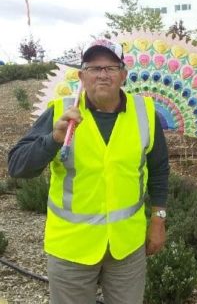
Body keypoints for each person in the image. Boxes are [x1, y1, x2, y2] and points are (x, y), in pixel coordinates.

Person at [8, 38, 170, 304]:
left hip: (126, 248)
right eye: (95, 68)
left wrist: (158, 220)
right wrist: (54, 139)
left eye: (111, 68)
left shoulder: (146, 112)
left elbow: (159, 170)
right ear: (82, 76)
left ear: (123, 75)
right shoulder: (60, 112)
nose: (103, 74)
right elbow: (17, 166)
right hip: (72, 248)